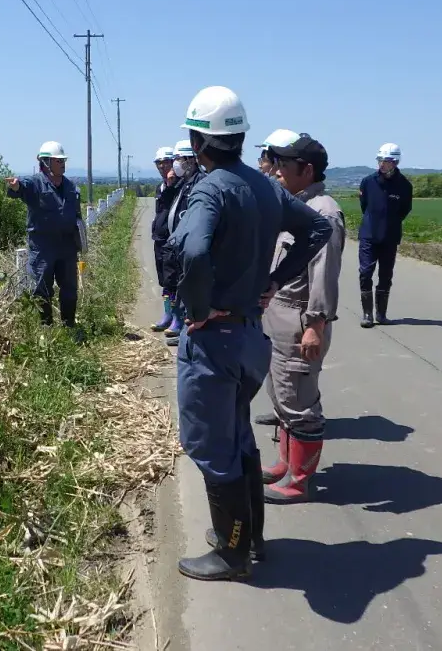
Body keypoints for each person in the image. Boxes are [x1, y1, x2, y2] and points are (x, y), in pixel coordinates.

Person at [168, 86, 333, 581]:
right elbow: (316, 232)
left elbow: (194, 252)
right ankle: (250, 537)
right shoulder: (264, 186)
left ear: (199, 140)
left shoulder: (210, 187)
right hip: (248, 338)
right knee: (238, 435)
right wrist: (274, 280)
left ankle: (232, 553)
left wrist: (197, 309)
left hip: (213, 339)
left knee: (212, 445)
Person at [251, 130, 346, 504]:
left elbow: (323, 276)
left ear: (305, 170)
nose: (276, 172)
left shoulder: (323, 212)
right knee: (282, 397)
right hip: (279, 317)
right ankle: (285, 463)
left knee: (300, 403)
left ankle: (300, 479)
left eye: (283, 165)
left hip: (300, 323)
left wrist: (316, 326)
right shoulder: (294, 205)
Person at [6, 141, 83, 328]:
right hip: (43, 246)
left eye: (63, 160)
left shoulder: (71, 187)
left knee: (69, 289)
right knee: (41, 288)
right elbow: (21, 188)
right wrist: (16, 186)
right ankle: (46, 328)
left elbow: (77, 217)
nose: (63, 164)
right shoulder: (35, 184)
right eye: (58, 161)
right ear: (46, 162)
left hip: (67, 246)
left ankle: (69, 326)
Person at [357, 142, 413, 328]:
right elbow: (364, 205)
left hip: (390, 236)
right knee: (365, 273)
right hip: (369, 234)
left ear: (395, 162)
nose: (382, 164)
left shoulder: (404, 185)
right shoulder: (367, 182)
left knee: (385, 275)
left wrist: (391, 223)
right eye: (380, 160)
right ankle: (367, 314)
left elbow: (405, 210)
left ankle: (381, 314)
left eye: (386, 161)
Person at [159, 140, 204, 346]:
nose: (173, 163)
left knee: (187, 288)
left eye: (177, 159)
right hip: (176, 245)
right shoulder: (182, 182)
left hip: (188, 246)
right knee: (175, 285)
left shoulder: (199, 182)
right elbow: (167, 206)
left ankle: (185, 329)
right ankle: (181, 325)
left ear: (189, 160)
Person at [150, 147, 179, 331]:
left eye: (166, 162)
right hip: (159, 239)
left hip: (172, 240)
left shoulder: (178, 187)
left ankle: (177, 317)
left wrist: (170, 185)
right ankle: (167, 314)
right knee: (164, 279)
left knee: (173, 279)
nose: (162, 166)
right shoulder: (160, 187)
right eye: (159, 163)